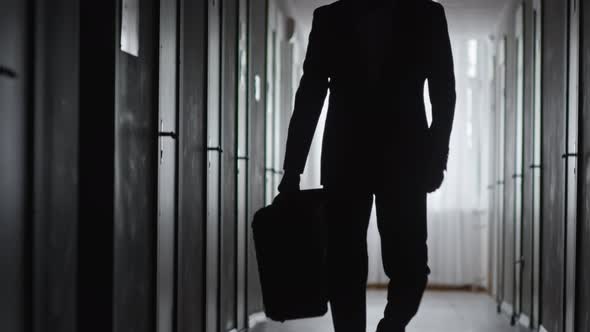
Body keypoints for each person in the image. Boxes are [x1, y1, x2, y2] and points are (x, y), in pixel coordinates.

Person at [278, 0, 456, 331]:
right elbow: (310, 94)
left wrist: (436, 156)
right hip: (345, 159)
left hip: (406, 162)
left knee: (411, 265)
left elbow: (444, 91)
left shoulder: (427, 14)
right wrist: (292, 168)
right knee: (343, 263)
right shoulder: (330, 18)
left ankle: (391, 325)